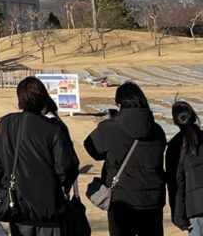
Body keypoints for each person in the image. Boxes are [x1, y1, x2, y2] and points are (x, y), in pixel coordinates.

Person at [0, 76, 80, 236]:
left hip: (17, 205)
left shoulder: (6, 124)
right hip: (49, 208)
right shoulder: (54, 128)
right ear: (43, 98)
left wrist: (0, 187)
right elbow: (67, 167)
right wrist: (60, 188)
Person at [85, 81, 166, 236]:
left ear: (119, 105)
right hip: (152, 200)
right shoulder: (157, 130)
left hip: (121, 201)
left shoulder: (110, 128)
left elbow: (91, 149)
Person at [167, 100, 203, 234]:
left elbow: (176, 184)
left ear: (175, 121)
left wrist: (179, 218)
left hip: (195, 209)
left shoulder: (175, 146)